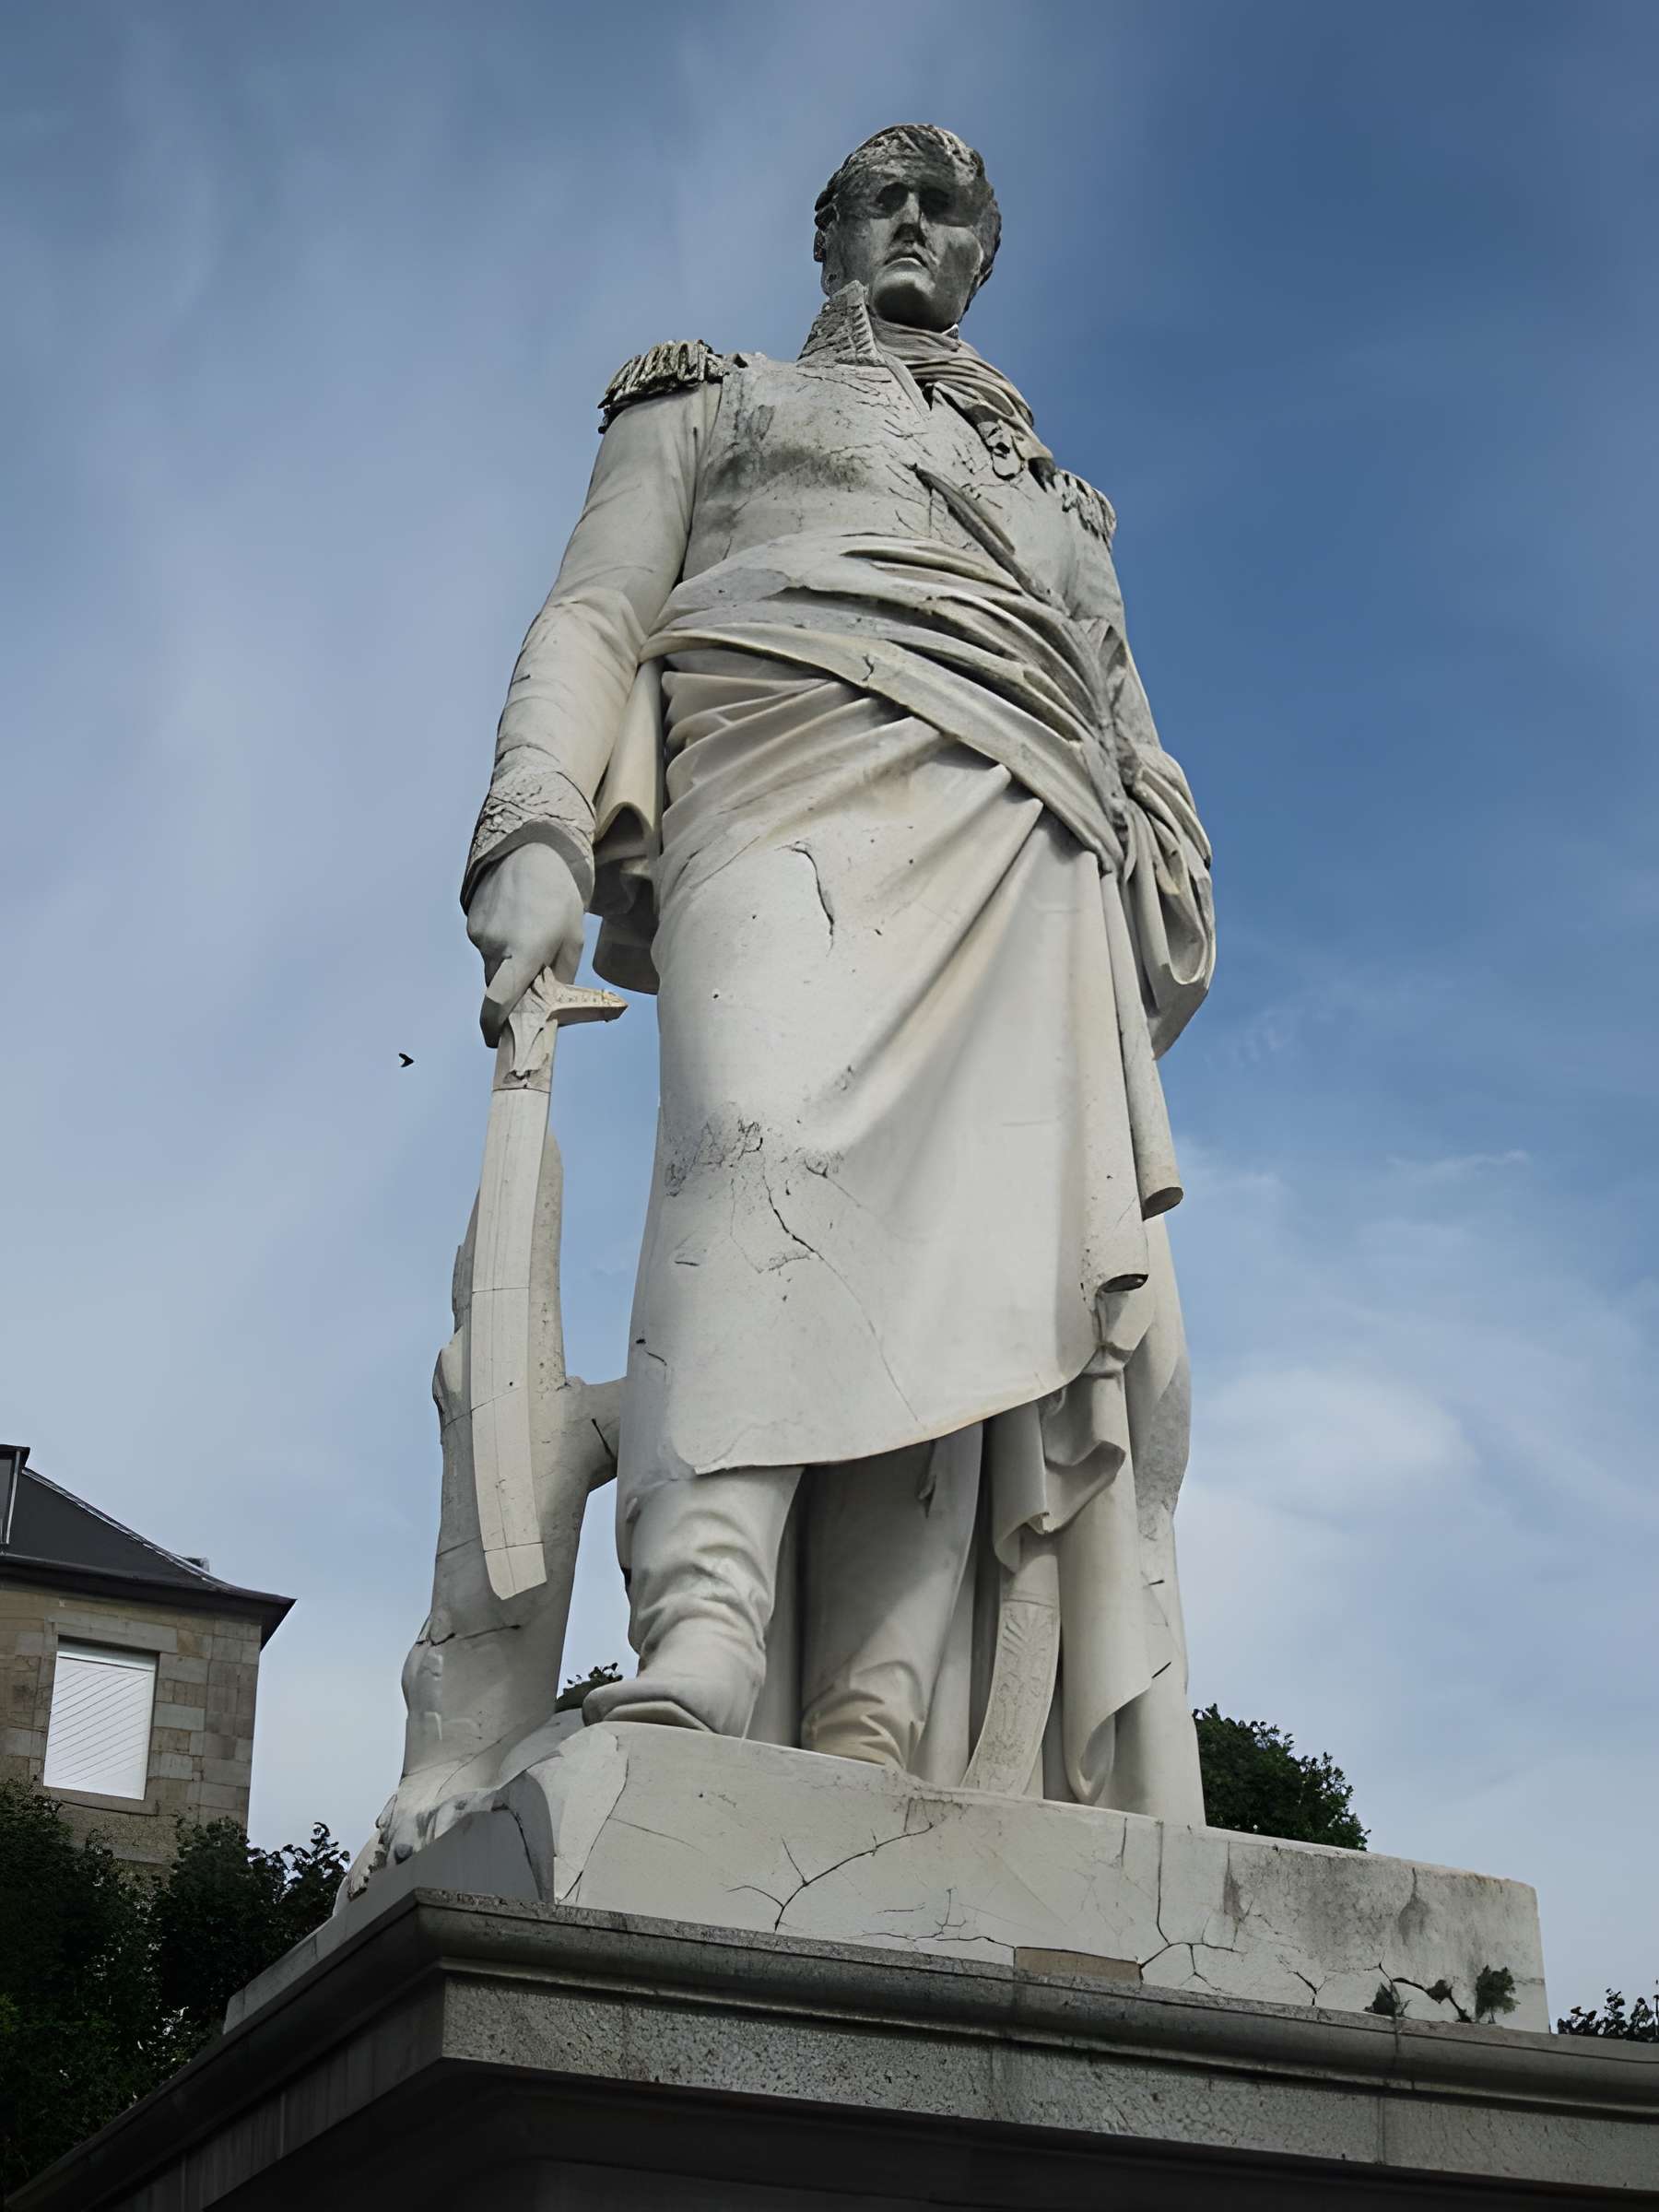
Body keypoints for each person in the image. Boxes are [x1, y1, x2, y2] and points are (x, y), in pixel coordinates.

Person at [464, 124, 1216, 1815]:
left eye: (950, 212)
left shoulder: (1058, 507)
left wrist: (1156, 850)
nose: (914, 225)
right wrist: (535, 829)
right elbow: (591, 614)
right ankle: (705, 1632)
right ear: (829, 232)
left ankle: (876, 1717)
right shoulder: (709, 399)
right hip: (775, 783)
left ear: (977, 258)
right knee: (753, 1151)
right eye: (886, 195)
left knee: (971, 1288)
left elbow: (1132, 729)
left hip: (1014, 849)